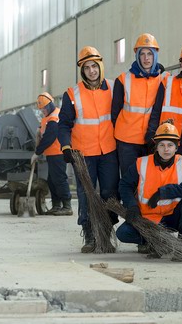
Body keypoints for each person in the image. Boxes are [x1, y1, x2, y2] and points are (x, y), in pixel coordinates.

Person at [58, 46, 119, 253]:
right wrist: (66, 147)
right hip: (83, 154)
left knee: (110, 193)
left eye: (94, 66)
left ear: (100, 66)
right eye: (86, 68)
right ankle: (90, 235)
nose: (91, 71)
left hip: (109, 151)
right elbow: (64, 124)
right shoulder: (72, 94)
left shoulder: (113, 88)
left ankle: (106, 233)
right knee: (86, 194)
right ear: (82, 71)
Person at [117, 120, 182, 261]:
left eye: (170, 145)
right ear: (156, 147)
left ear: (176, 147)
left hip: (173, 217)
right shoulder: (141, 163)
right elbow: (124, 185)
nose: (166, 149)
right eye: (161, 145)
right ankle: (158, 241)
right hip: (148, 219)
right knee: (123, 233)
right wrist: (131, 205)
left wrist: (165, 192)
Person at [112, 33, 167, 176]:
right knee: (129, 179)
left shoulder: (165, 80)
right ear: (137, 55)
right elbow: (115, 112)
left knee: (149, 179)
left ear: (155, 55)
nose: (146, 58)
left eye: (150, 53)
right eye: (142, 54)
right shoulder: (123, 79)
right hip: (127, 141)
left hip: (153, 139)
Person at [32, 92, 72, 216]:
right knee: (52, 180)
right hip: (52, 154)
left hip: (58, 153)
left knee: (59, 179)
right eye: (41, 109)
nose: (42, 110)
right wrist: (39, 129)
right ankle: (56, 205)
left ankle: (67, 206)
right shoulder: (48, 117)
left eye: (44, 108)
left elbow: (50, 137)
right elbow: (44, 132)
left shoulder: (54, 118)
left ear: (49, 105)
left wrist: (37, 153)